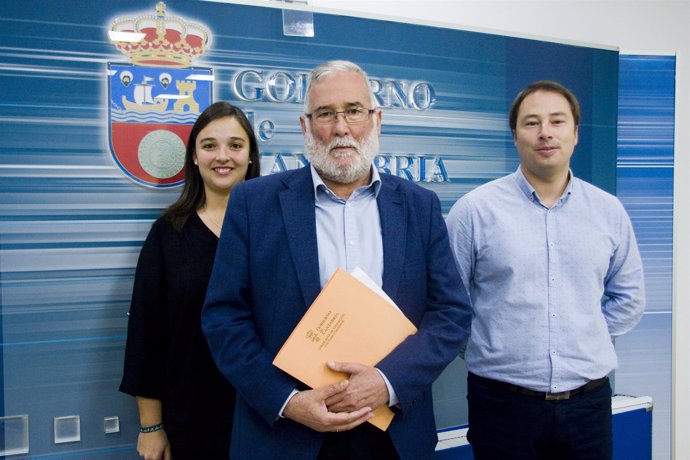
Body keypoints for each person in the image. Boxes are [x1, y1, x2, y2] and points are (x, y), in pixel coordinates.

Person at [201, 60, 472, 460]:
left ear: (376, 119)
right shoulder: (253, 204)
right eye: (325, 114)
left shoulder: (419, 206)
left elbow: (451, 314)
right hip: (287, 436)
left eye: (353, 111)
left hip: (393, 435)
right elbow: (224, 318)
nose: (341, 127)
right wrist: (287, 401)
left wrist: (387, 381)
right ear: (305, 126)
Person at [446, 80, 646, 459]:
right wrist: (492, 347)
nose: (545, 133)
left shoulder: (608, 211)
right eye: (531, 123)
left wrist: (587, 336)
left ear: (575, 133)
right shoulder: (474, 211)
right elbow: (449, 303)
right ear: (515, 135)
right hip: (501, 405)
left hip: (589, 404)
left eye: (557, 121)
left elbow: (630, 296)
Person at [119, 101, 261, 460]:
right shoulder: (168, 235)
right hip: (191, 420)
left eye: (235, 144)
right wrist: (152, 427)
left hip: (269, 416)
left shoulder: (276, 231)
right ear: (194, 157)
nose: (222, 156)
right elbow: (145, 335)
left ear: (250, 155)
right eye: (209, 145)